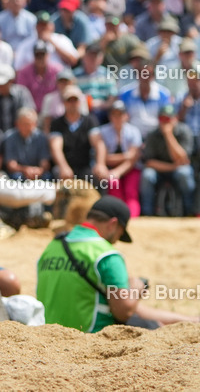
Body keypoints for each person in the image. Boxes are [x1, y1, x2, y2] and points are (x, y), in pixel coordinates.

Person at [37, 196, 199, 331]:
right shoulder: (106, 254)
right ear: (113, 224)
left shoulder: (52, 247)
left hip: (52, 336)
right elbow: (124, 311)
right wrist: (136, 288)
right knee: (151, 327)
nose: (115, 241)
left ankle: (192, 320)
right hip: (90, 336)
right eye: (119, 234)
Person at [139, 104, 195, 217]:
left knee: (184, 173)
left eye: (168, 118)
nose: (165, 122)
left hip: (178, 170)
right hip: (160, 171)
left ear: (175, 118)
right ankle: (147, 212)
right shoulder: (152, 134)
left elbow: (183, 158)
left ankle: (189, 211)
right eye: (162, 118)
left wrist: (168, 135)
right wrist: (173, 167)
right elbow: (149, 163)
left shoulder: (184, 131)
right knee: (147, 175)